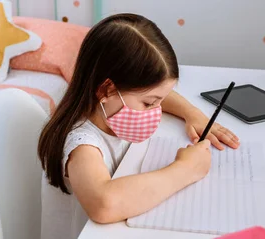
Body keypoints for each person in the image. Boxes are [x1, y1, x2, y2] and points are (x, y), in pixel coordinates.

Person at [37, 13, 240, 239]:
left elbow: (163, 93)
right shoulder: (81, 144)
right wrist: (185, 169)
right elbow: (104, 204)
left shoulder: (108, 106)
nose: (157, 109)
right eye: (149, 103)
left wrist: (192, 113)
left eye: (158, 102)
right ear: (106, 90)